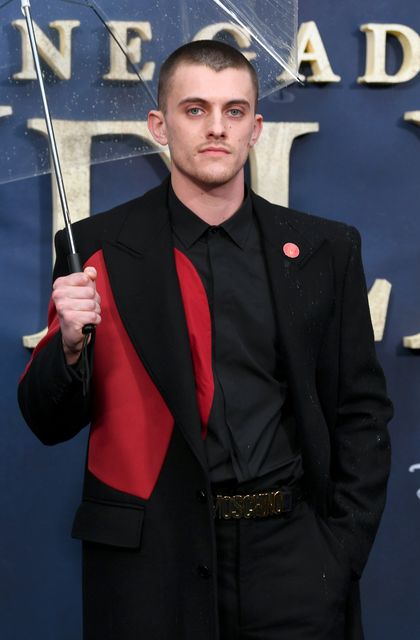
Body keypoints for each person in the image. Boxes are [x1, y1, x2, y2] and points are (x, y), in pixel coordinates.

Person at [18, 40, 392, 640]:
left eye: (234, 111)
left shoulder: (325, 249)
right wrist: (67, 345)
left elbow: (361, 411)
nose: (216, 128)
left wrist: (338, 549)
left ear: (256, 127)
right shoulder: (95, 247)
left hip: (293, 560)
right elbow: (47, 421)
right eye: (195, 110)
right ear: (159, 126)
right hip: (149, 567)